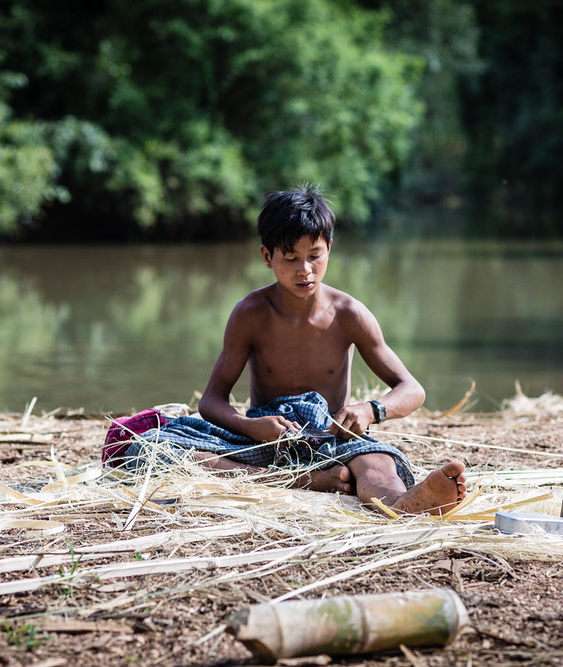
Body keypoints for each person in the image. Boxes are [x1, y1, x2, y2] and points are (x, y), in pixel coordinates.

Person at [108, 186, 466, 515]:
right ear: (267, 256)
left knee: (377, 465)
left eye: (315, 255)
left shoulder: (350, 314)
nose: (305, 270)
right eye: (290, 258)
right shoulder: (250, 314)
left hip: (329, 438)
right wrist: (250, 425)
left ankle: (406, 504)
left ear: (329, 249)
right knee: (153, 449)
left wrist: (371, 410)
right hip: (263, 440)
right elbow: (212, 400)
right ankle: (304, 480)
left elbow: (412, 390)